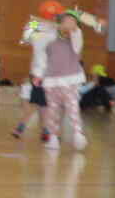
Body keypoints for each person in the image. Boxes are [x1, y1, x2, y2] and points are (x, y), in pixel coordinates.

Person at [36, 9, 90, 150]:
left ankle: (78, 135)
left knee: (73, 109)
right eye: (66, 20)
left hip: (70, 79)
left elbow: (77, 41)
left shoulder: (76, 36)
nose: (69, 23)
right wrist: (39, 74)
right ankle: (53, 137)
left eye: (72, 21)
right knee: (52, 110)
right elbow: (41, 55)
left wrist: (73, 27)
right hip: (51, 80)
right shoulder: (50, 37)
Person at [12, 0, 61, 142]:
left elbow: (25, 39)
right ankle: (24, 127)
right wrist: (36, 24)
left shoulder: (53, 27)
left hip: (46, 72)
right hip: (43, 73)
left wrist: (35, 24)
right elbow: (26, 39)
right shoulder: (46, 27)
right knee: (40, 102)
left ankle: (44, 130)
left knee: (42, 102)